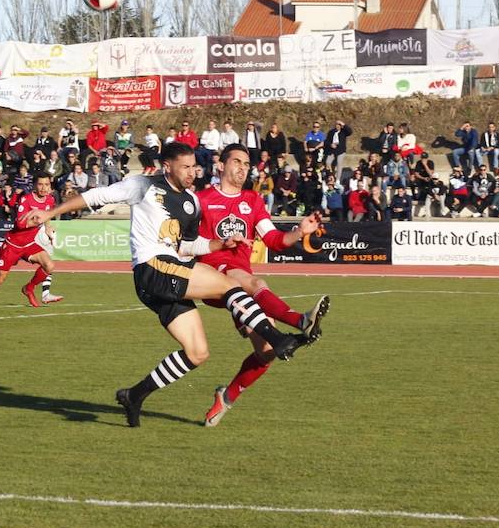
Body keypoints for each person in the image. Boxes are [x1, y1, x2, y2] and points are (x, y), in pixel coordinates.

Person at [26, 142, 312, 427]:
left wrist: (219, 243)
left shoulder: (191, 201)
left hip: (165, 277)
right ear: (168, 167)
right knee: (229, 286)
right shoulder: (143, 185)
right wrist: (51, 214)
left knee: (197, 353)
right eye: (185, 167)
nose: (192, 172)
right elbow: (98, 195)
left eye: (194, 167)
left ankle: (134, 395)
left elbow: (188, 245)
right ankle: (277, 339)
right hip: (153, 268)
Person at [196, 144, 328, 427]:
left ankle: (226, 398)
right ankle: (300, 320)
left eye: (247, 163)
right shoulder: (201, 199)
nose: (243, 168)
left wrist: (298, 232)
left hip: (239, 285)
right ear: (220, 165)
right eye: (237, 162)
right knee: (255, 281)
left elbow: (273, 240)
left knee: (266, 351)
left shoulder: (253, 200)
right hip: (212, 275)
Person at [0, 173, 60, 312]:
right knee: (0, 278)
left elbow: (46, 215)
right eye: (40, 184)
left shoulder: (50, 200)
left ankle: (29, 288)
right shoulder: (26, 200)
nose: (43, 188)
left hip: (29, 244)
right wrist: (35, 219)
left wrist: (47, 228)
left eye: (46, 184)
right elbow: (20, 223)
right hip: (13, 245)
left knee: (50, 265)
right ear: (34, 185)